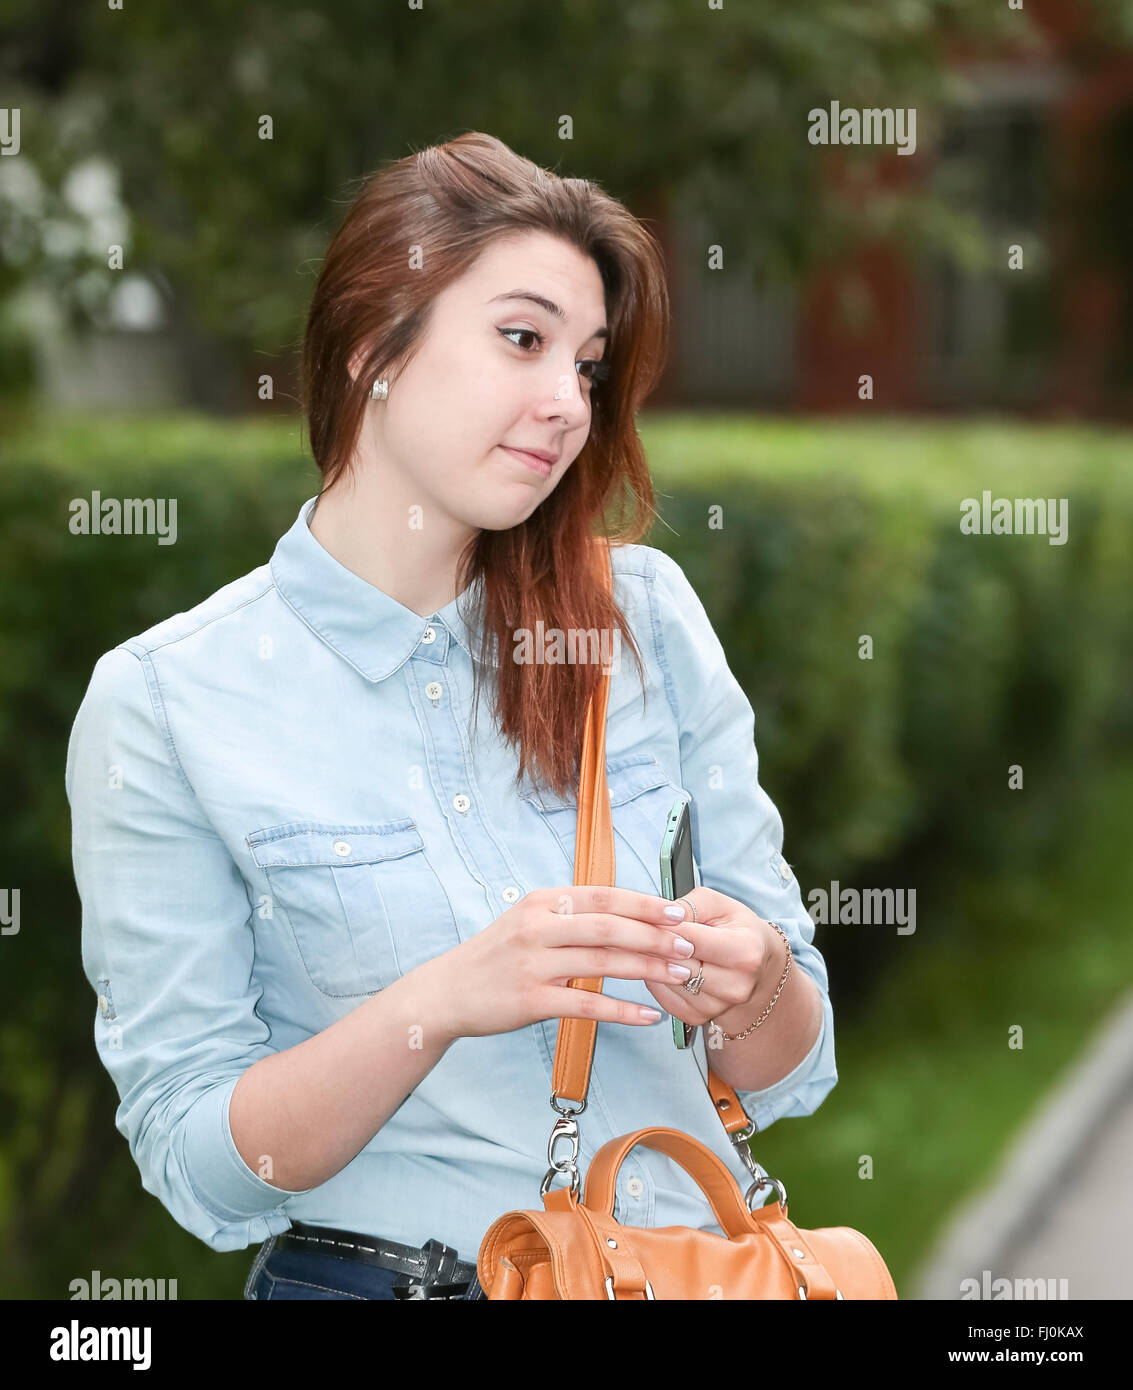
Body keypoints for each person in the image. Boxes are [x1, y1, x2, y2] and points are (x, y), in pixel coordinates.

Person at [64, 131, 837, 1301]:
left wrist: (760, 979)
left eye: (585, 363)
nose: (566, 402)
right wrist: (434, 1004)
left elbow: (794, 1070)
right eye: (521, 339)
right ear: (378, 343)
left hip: (684, 1272)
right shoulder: (169, 705)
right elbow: (203, 1168)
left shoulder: (641, 619)